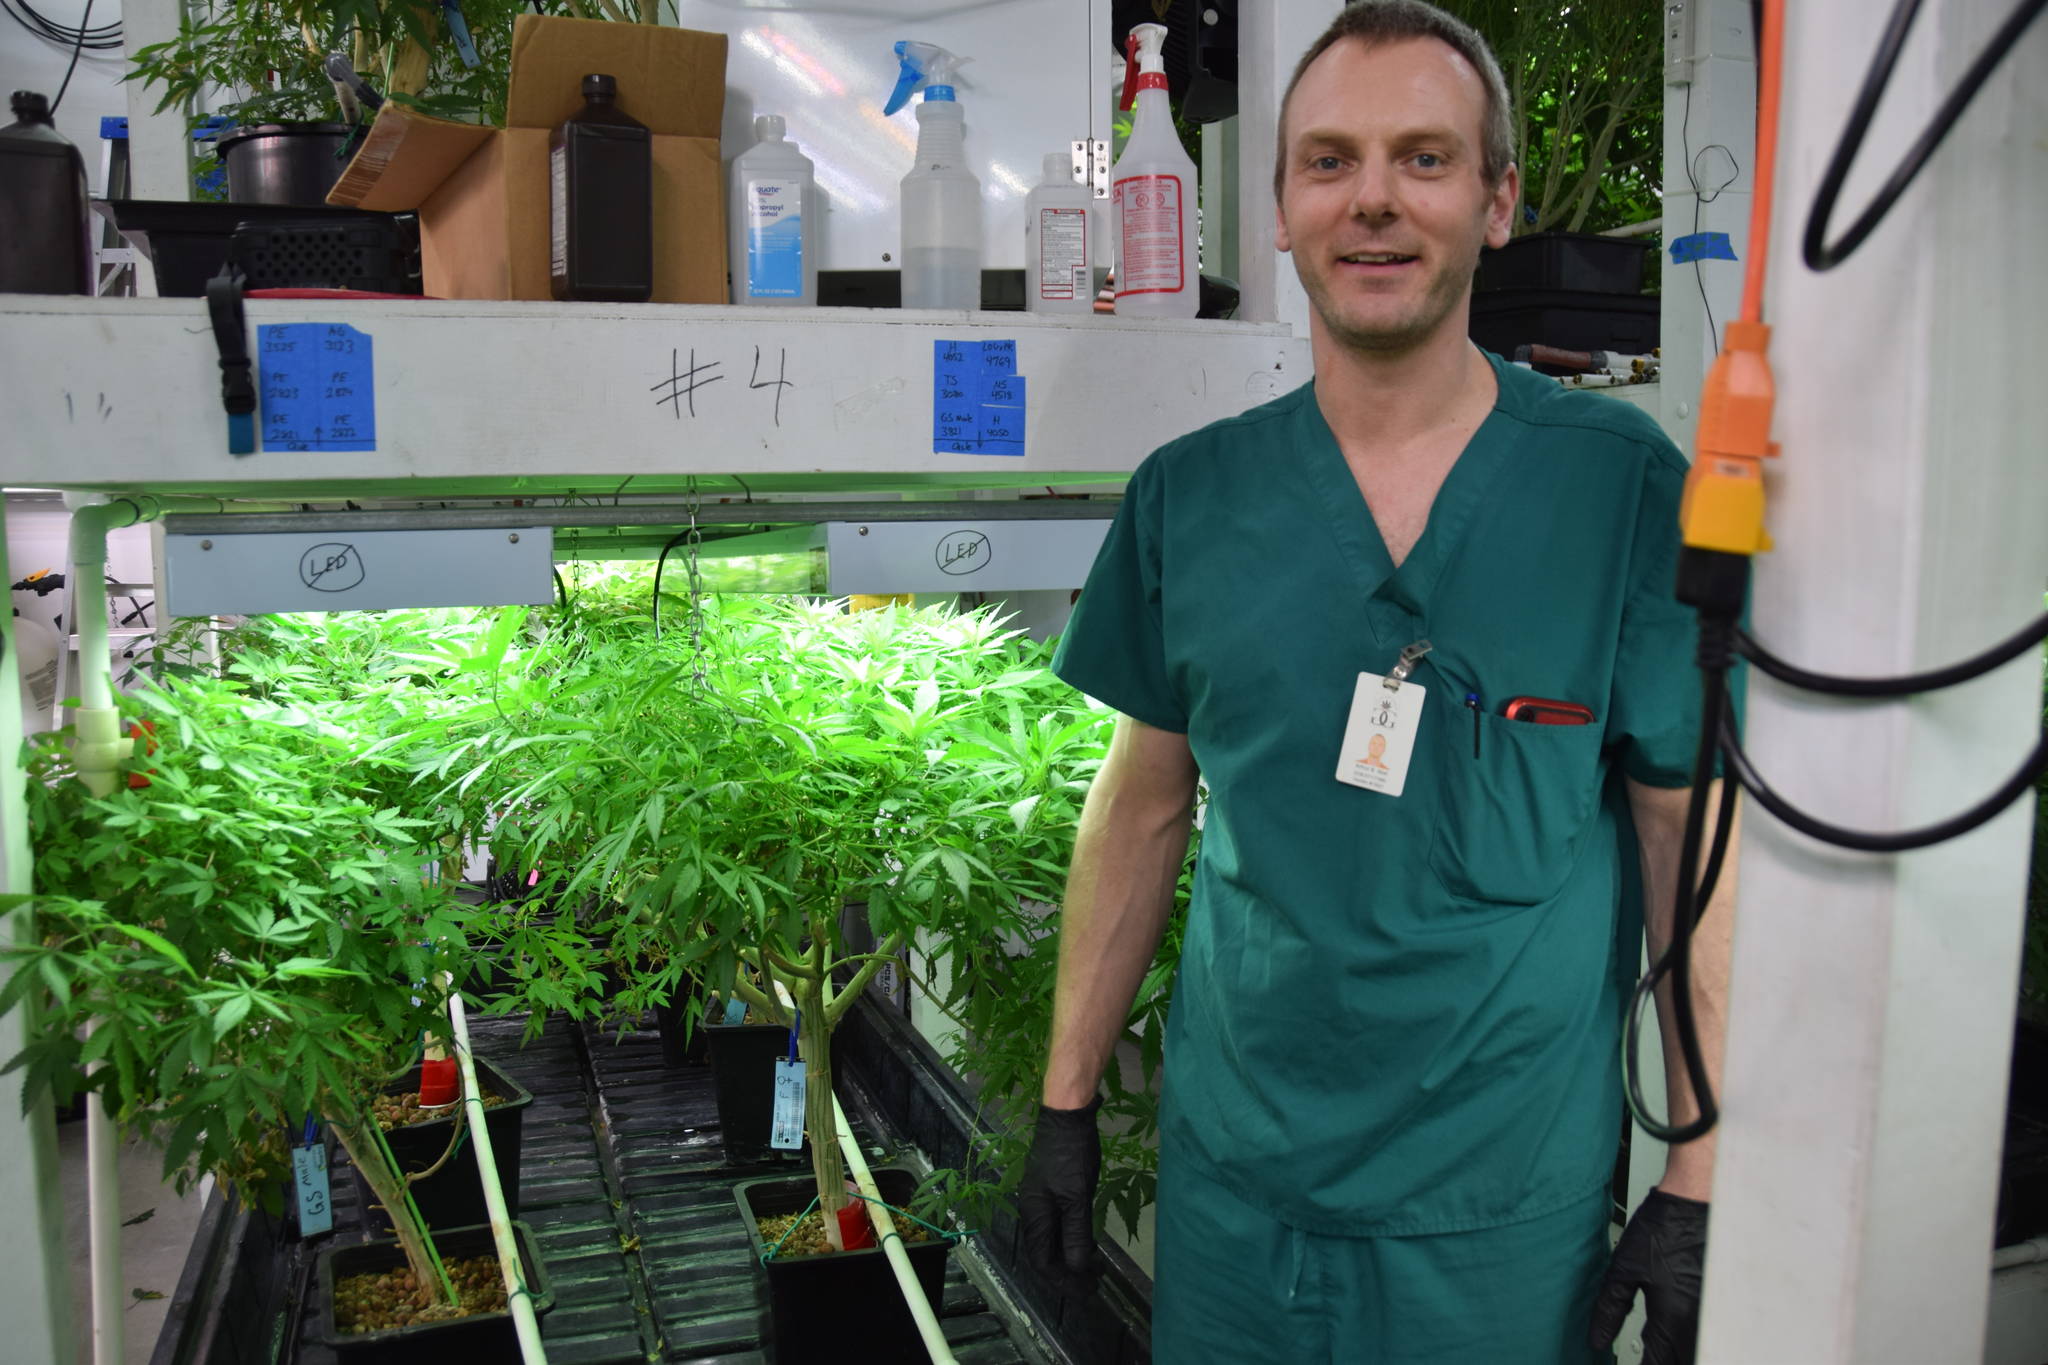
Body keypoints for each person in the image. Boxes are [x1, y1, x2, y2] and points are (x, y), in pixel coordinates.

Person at [1014, 4, 1737, 1363]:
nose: (1375, 203)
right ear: (1280, 210)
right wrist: (1067, 1101)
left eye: (1425, 158)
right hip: (1235, 1200)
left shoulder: (1621, 487)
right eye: (1330, 161)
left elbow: (1684, 834)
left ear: (1498, 200)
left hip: (1502, 1226)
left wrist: (1693, 1171)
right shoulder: (1192, 497)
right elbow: (1145, 806)